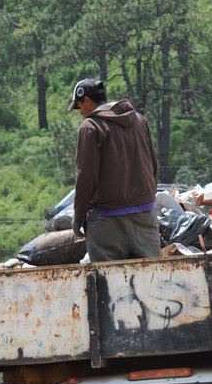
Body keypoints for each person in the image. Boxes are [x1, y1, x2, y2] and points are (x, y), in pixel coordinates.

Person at [68, 77, 162, 262]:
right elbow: (153, 165)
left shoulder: (90, 126)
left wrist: (79, 216)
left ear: (87, 100)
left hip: (107, 220)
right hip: (145, 216)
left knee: (109, 278)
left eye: (80, 107)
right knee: (151, 276)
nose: (81, 113)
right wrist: (147, 200)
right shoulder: (139, 120)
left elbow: (86, 177)